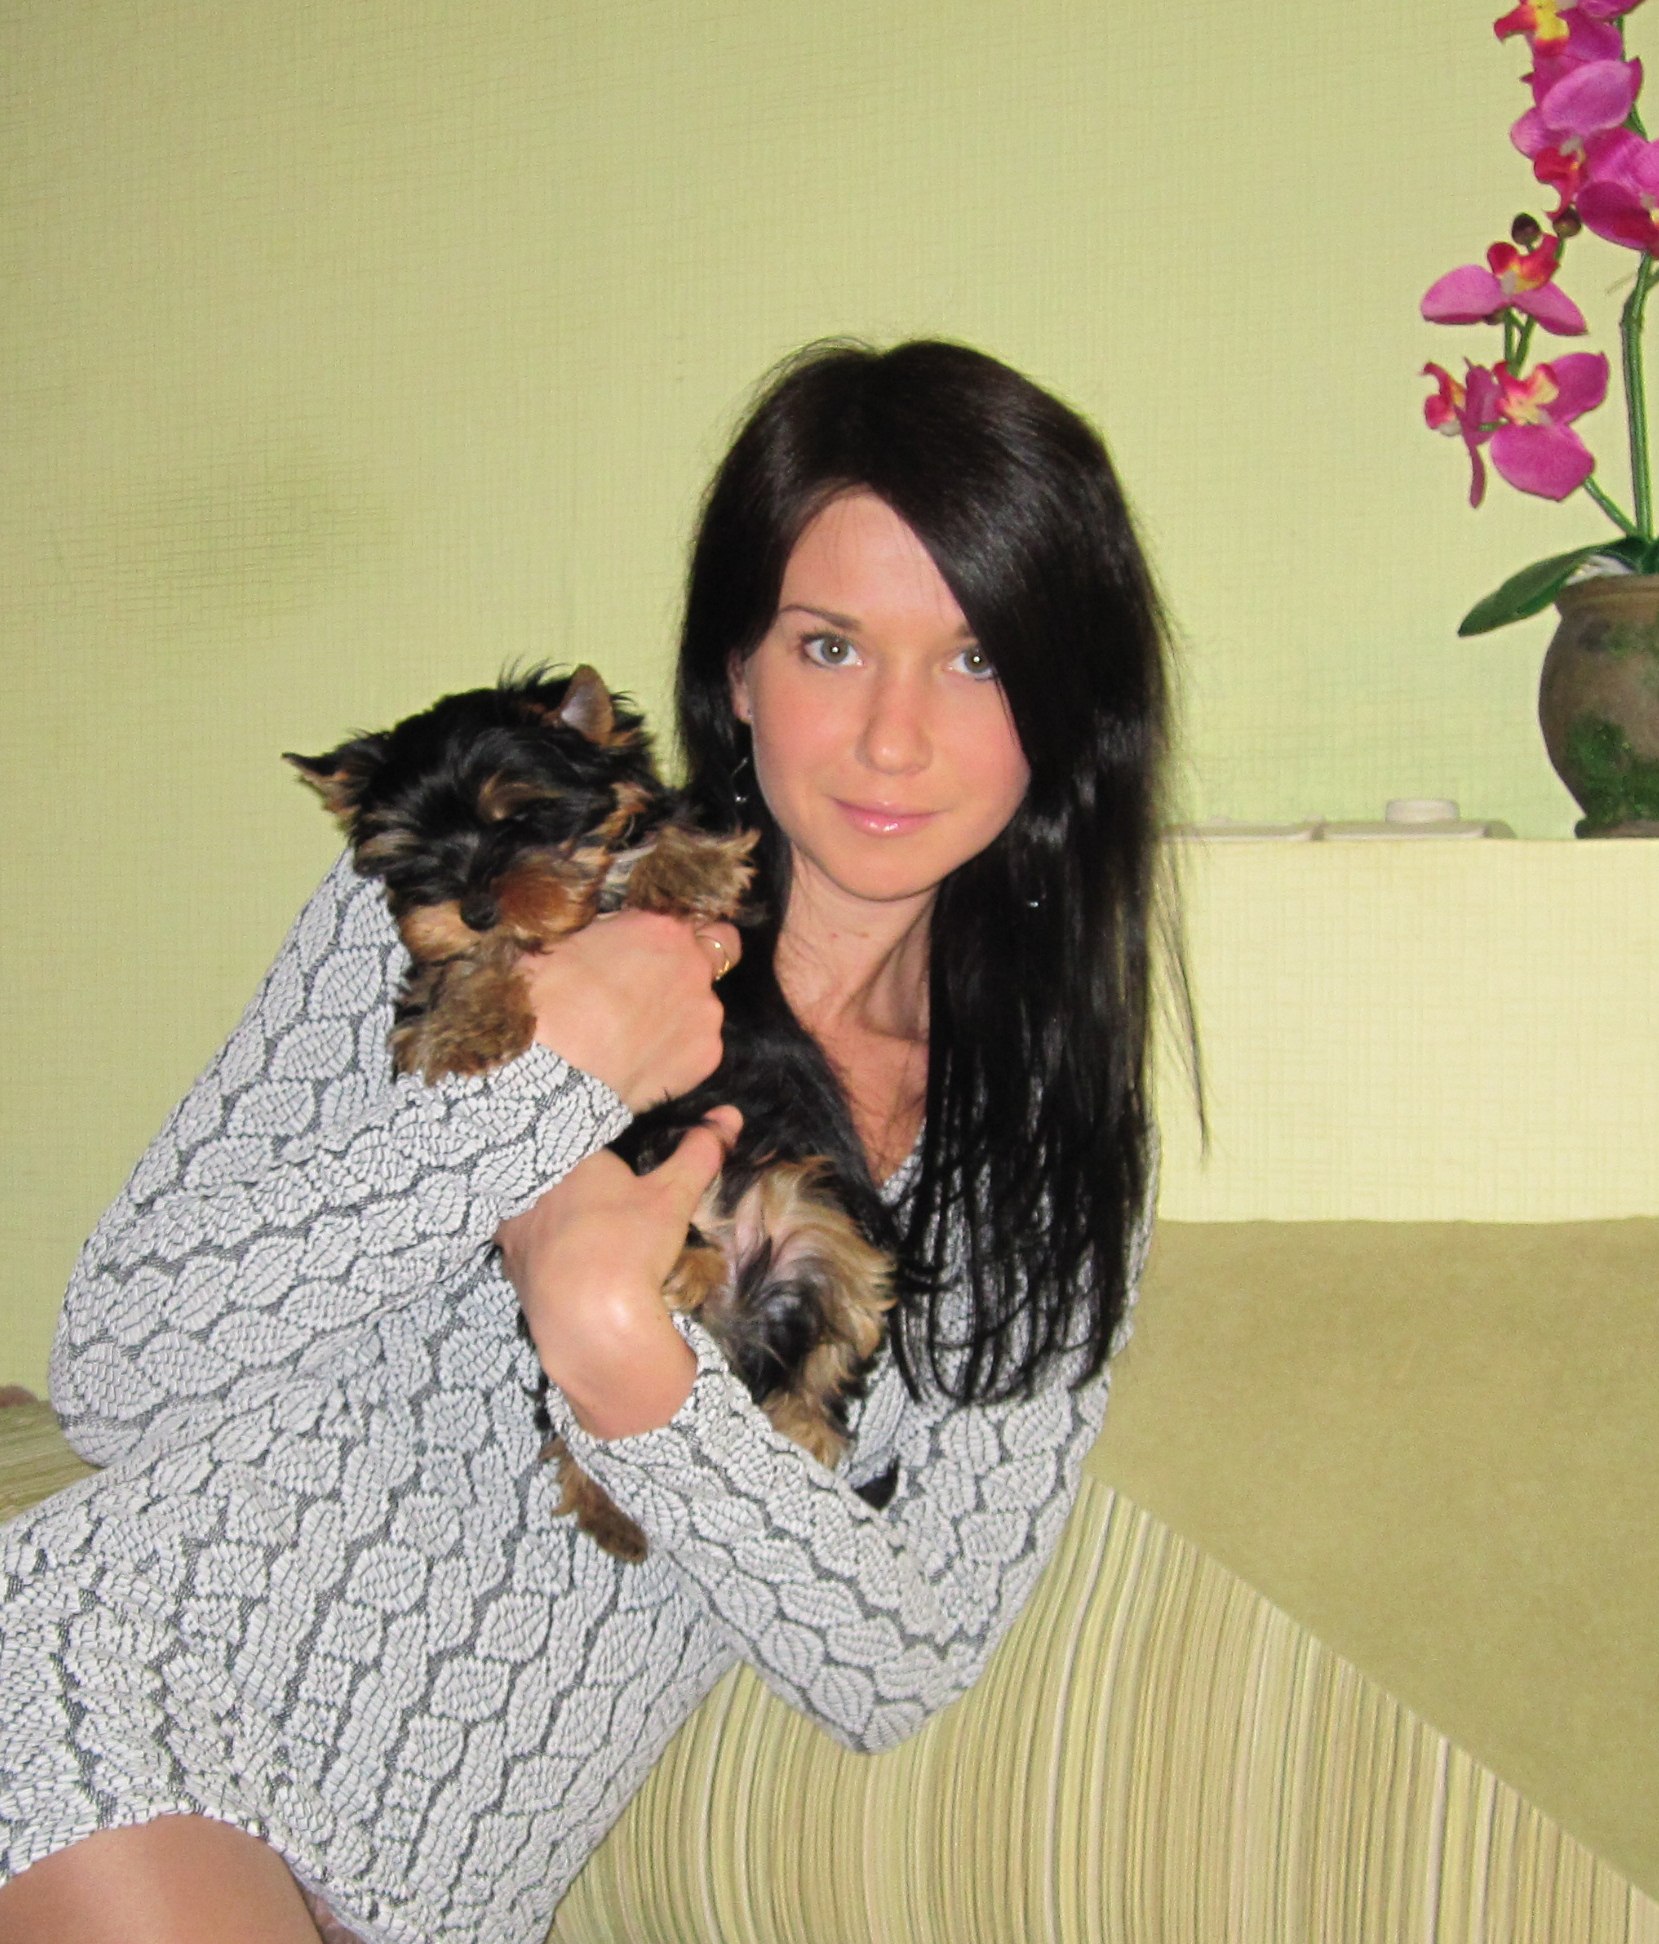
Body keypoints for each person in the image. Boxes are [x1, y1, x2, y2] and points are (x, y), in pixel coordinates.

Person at [0, 339, 1174, 1944]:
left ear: (1065, 698)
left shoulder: (1030, 1162)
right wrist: (549, 1080)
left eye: (972, 659)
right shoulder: (467, 878)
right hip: (105, 1704)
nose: (893, 738)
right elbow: (119, 1372)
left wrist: (630, 1367)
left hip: (432, 1898)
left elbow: (899, 1663)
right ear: (737, 669)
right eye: (831, 646)